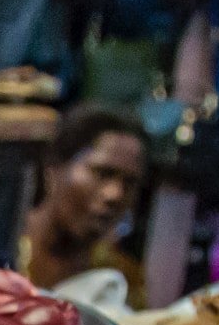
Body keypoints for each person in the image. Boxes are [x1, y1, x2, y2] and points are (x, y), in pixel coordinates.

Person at [18, 105, 147, 294]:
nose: (115, 194)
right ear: (53, 169)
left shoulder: (121, 280)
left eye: (130, 183)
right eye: (102, 173)